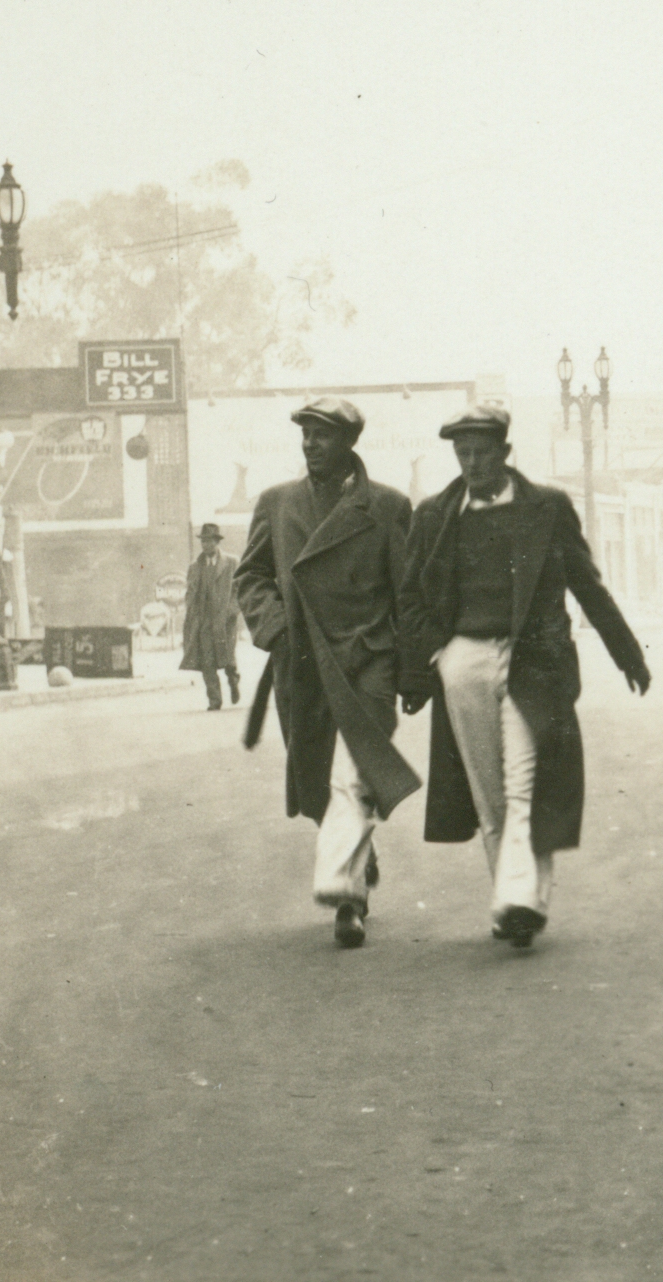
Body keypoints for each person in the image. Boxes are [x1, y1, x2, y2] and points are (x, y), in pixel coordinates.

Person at [398, 403, 650, 949]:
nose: (470, 464)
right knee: (489, 794)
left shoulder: (548, 508)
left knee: (523, 781)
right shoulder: (435, 515)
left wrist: (628, 653)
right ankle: (517, 901)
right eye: (462, 454)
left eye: (481, 453)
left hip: (534, 658)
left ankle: (519, 897)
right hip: (463, 662)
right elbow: (411, 598)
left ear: (505, 454)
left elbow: (586, 584)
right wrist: (433, 659)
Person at [235, 397, 420, 950]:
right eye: (306, 434)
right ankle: (358, 853)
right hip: (304, 662)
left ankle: (348, 897)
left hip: (368, 658)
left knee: (353, 772)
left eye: (322, 435)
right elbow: (250, 577)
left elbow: (407, 594)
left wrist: (413, 672)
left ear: (349, 444)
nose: (311, 444)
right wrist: (278, 629)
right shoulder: (276, 503)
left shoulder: (387, 507)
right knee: (320, 778)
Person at [181, 523, 242, 711]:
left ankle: (233, 680)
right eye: (203, 541)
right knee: (207, 661)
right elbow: (190, 594)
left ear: (217, 541)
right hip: (204, 622)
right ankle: (214, 700)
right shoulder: (195, 567)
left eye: (209, 541)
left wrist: (232, 611)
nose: (205, 545)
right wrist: (192, 616)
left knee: (228, 659)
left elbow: (240, 590)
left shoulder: (232, 562)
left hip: (226, 621)